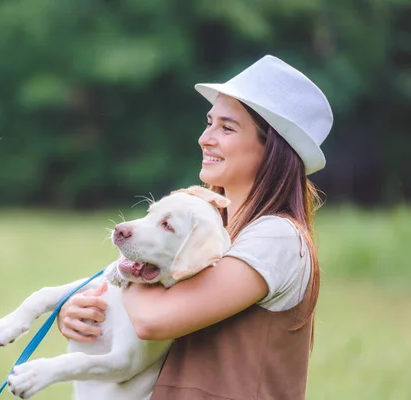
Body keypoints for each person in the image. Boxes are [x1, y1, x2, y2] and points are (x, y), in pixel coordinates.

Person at [57, 55, 333, 400]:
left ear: (274, 150)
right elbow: (144, 319)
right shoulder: (211, 226)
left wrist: (128, 270)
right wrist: (79, 312)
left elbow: (152, 321)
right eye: (209, 122)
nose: (205, 138)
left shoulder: (277, 237)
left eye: (227, 128)